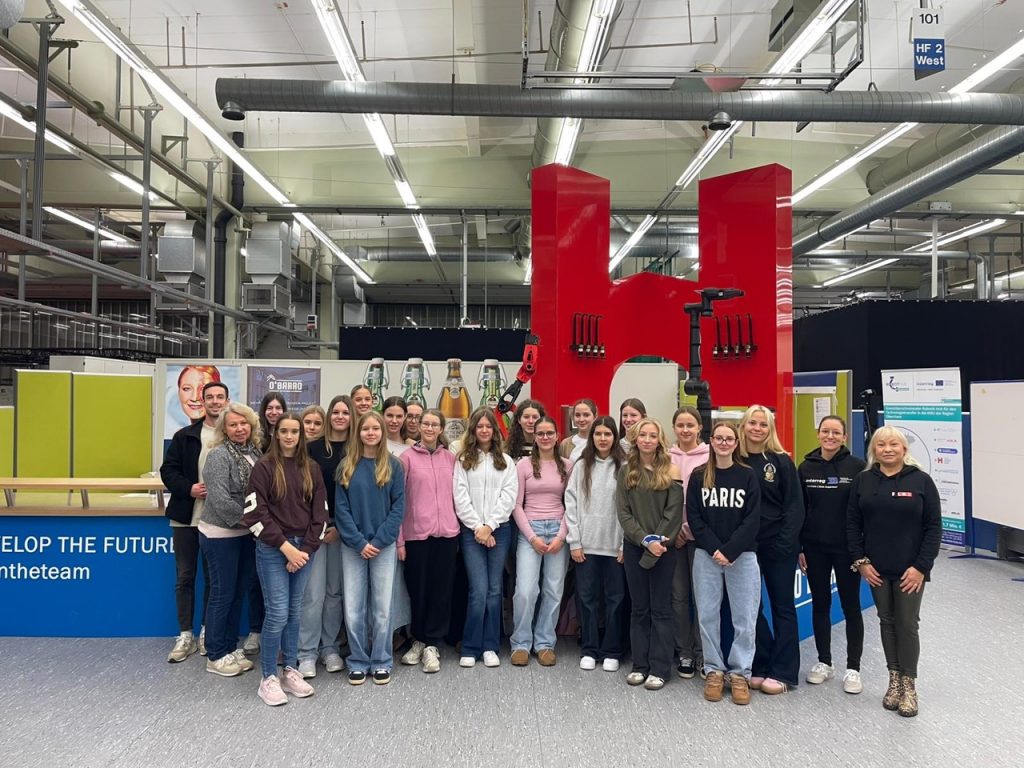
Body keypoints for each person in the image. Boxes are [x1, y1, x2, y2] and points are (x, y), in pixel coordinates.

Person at [847, 426, 941, 718]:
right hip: (875, 569)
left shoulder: (922, 481)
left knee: (907, 623)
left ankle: (909, 686)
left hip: (911, 570)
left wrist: (921, 567)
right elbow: (852, 523)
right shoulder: (863, 481)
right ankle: (894, 681)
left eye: (893, 445)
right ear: (873, 450)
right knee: (886, 621)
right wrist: (861, 562)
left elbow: (933, 527)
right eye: (881, 445)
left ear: (904, 449)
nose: (887, 449)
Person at [241, 413, 328, 706]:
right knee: (277, 612)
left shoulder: (311, 468)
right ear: (276, 434)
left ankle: (290, 670)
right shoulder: (264, 467)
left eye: (295, 432)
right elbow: (255, 514)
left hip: (304, 550)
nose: (289, 436)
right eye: (284, 431)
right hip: (273, 549)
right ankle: (268, 677)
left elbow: (321, 514)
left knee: (293, 612)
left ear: (301, 435)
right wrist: (285, 548)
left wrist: (305, 550)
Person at [687, 422, 762, 706]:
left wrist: (729, 550)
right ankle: (714, 670)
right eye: (718, 438)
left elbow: (752, 519)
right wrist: (715, 549)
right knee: (707, 615)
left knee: (745, 617)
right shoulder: (699, 476)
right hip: (706, 555)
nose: (723, 442)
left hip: (742, 555)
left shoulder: (748, 475)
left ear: (736, 443)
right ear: (711, 441)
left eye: (729, 438)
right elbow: (694, 517)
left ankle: (740, 673)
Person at [160, 379, 229, 663]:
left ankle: (205, 632)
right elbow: (168, 471)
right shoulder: (185, 435)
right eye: (210, 397)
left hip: (220, 521)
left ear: (227, 401)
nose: (215, 401)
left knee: (214, 580)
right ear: (204, 401)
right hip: (187, 518)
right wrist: (188, 488)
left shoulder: (233, 434)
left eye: (220, 397)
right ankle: (185, 634)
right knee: (185, 577)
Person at [335, 411, 406, 686]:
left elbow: (398, 507)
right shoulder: (346, 466)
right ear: (359, 433)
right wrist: (359, 542)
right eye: (366, 429)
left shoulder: (393, 466)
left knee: (382, 606)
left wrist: (378, 541)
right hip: (353, 546)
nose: (371, 433)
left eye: (376, 428)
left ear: (382, 432)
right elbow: (341, 510)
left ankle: (381, 660)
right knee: (354, 606)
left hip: (382, 546)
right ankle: (358, 660)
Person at [799, 415, 867, 694]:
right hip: (814, 548)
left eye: (836, 432)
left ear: (844, 437)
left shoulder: (858, 467)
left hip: (847, 550)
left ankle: (854, 668)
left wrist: (861, 550)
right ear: (818, 434)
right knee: (820, 604)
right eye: (825, 431)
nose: (830, 436)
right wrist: (800, 547)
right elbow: (800, 509)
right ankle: (824, 662)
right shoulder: (805, 467)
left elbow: (863, 511)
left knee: (851, 606)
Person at [739, 404, 804, 695]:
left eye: (763, 424)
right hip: (745, 548)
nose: (757, 428)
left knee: (783, 607)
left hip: (779, 546)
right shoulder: (734, 460)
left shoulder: (781, 462)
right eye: (752, 423)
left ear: (770, 429)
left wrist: (785, 543)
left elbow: (794, 507)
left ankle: (784, 671)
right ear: (744, 426)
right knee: (752, 609)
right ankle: (760, 663)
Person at [616, 418, 683, 691]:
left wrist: (655, 544)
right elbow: (624, 513)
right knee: (639, 609)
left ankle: (660, 668)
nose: (647, 439)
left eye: (652, 435)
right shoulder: (626, 471)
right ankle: (640, 666)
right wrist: (644, 540)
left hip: (664, 549)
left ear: (659, 440)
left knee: (661, 609)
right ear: (635, 439)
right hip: (636, 547)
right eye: (642, 435)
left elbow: (673, 513)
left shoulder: (672, 469)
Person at [198, 402, 262, 678]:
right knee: (222, 594)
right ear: (224, 429)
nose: (239, 428)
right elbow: (221, 500)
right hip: (220, 534)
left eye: (244, 423)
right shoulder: (218, 455)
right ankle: (215, 654)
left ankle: (229, 647)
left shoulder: (254, 452)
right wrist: (255, 522)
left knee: (238, 592)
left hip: (246, 534)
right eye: (233, 425)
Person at [454, 408, 518, 668]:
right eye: (479, 426)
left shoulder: (506, 461)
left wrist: (490, 526)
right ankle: (470, 646)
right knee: (478, 590)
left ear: (495, 430)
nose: (483, 430)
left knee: (494, 590)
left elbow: (509, 497)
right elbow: (460, 497)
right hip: (471, 532)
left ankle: (490, 646)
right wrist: (478, 528)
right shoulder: (463, 460)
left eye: (488, 426)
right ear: (473, 430)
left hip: (499, 530)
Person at [398, 409, 459, 674]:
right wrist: (400, 540)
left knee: (441, 590)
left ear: (441, 428)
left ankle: (432, 644)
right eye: (426, 423)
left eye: (435, 424)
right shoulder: (406, 458)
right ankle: (418, 640)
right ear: (419, 426)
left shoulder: (451, 459)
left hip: (447, 534)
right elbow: (399, 500)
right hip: (416, 535)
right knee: (418, 589)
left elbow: (458, 495)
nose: (430, 428)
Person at [565, 416, 626, 672]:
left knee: (615, 599)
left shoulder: (624, 466)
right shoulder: (582, 466)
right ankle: (589, 648)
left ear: (615, 437)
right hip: (586, 545)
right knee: (587, 599)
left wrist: (624, 544)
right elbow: (571, 502)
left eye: (607, 434)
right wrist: (574, 541)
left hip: (615, 546)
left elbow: (629, 508)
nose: (603, 438)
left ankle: (611, 650)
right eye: (598, 434)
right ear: (592, 437)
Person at [298, 395, 353, 678]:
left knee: (335, 593)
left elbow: (357, 495)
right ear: (329, 415)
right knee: (313, 594)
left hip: (343, 530)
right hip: (314, 529)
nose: (340, 417)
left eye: (346, 412)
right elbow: (302, 492)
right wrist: (318, 528)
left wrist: (341, 528)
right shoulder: (312, 448)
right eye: (336, 412)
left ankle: (330, 648)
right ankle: (306, 652)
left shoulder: (357, 450)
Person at [510, 415, 571, 667]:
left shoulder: (567, 465)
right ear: (534, 437)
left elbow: (572, 504)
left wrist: (561, 536)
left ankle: (545, 643)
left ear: (557, 436)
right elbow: (516, 505)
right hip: (530, 531)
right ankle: (521, 643)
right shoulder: (523, 465)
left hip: (558, 530)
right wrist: (532, 537)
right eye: (540, 433)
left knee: (553, 590)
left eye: (549, 433)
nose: (545, 437)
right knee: (525, 590)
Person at [668, 405, 709, 679]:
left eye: (690, 425)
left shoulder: (710, 456)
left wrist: (690, 528)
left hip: (701, 538)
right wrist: (676, 531)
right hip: (674, 539)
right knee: (679, 597)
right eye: (680, 425)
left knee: (702, 598)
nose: (685, 430)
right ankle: (684, 651)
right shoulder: (665, 456)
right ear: (674, 428)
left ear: (699, 428)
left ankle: (703, 653)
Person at [245, 392, 288, 655]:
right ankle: (256, 630)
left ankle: (283, 639)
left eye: (278, 408)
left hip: (287, 524)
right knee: (257, 581)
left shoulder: (292, 440)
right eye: (269, 408)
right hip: (261, 522)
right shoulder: (256, 442)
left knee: (283, 590)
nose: (273, 412)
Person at [559, 398, 597, 463]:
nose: (581, 419)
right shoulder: (565, 444)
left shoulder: (601, 441)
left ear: (595, 416)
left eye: (586, 415)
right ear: (573, 417)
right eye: (577, 415)